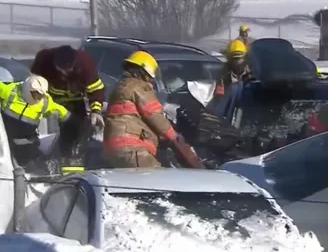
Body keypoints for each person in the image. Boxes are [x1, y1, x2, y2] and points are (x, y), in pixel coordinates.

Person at [103, 51, 204, 169]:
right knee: (158, 181)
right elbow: (154, 114)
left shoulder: (120, 87)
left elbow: (133, 117)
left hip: (113, 149)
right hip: (134, 149)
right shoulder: (138, 86)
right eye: (151, 77)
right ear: (145, 72)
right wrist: (175, 138)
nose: (151, 80)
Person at [31, 45, 105, 174]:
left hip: (75, 101)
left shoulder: (85, 63)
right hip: (51, 100)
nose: (65, 73)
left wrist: (96, 111)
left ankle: (71, 165)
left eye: (68, 69)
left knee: (76, 132)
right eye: (61, 69)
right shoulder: (44, 60)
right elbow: (34, 83)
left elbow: (96, 89)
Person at [0, 75, 71, 169]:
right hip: (4, 143)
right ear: (28, 90)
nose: (39, 97)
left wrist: (76, 125)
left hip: (27, 147)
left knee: (38, 169)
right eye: (36, 94)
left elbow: (64, 113)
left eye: (41, 95)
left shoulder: (46, 102)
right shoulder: (10, 91)